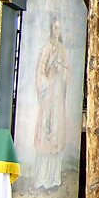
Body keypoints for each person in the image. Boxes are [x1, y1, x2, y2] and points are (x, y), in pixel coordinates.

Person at [33, 19, 68, 189]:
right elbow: (40, 71)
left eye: (59, 28)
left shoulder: (62, 49)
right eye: (55, 27)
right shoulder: (47, 47)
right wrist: (46, 82)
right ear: (51, 29)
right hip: (48, 96)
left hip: (58, 96)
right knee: (46, 130)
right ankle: (41, 178)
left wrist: (62, 71)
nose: (57, 31)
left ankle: (54, 178)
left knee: (56, 132)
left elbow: (67, 71)